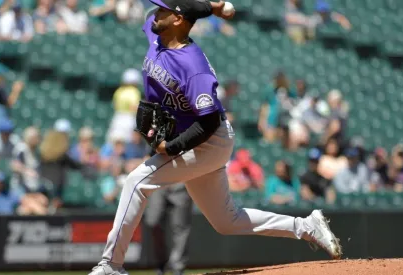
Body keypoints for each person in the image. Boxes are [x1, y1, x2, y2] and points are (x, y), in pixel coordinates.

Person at [88, 1, 341, 275]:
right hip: (193, 138)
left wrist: (172, 147)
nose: (155, 14)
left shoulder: (194, 66)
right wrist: (212, 7)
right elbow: (152, 15)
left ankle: (111, 265)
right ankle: (307, 227)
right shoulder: (157, 33)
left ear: (177, 19)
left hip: (209, 141)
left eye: (163, 10)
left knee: (136, 181)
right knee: (227, 220)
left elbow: (207, 121)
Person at [144, 182, 193, 275]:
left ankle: (177, 267)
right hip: (158, 185)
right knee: (153, 222)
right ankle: (161, 263)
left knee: (181, 229)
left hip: (181, 185)